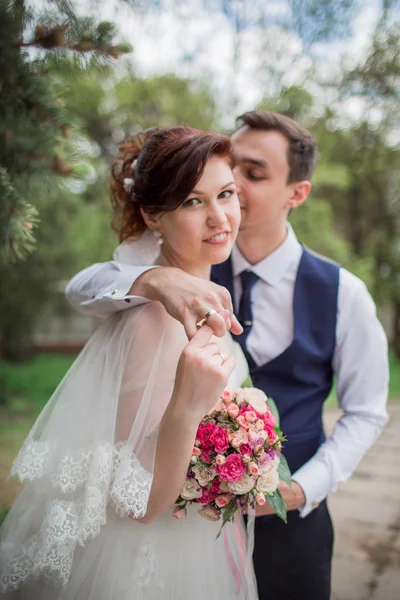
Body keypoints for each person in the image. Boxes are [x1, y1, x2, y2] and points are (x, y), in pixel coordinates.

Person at [65, 110, 389, 600]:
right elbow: (81, 288)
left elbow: (366, 412)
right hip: (179, 532)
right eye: (229, 168)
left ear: (296, 194)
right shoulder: (189, 249)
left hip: (289, 525)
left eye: (251, 175)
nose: (231, 181)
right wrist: (152, 279)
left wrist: (303, 488)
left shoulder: (344, 293)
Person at [0, 127, 259, 600]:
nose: (220, 217)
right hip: (144, 558)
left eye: (225, 194)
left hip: (203, 540)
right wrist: (185, 408)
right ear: (152, 217)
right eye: (192, 202)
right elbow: (136, 500)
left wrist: (238, 464)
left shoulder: (210, 295)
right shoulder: (149, 322)